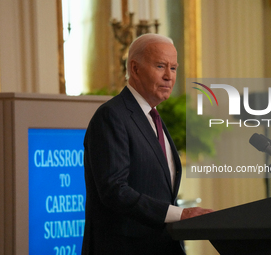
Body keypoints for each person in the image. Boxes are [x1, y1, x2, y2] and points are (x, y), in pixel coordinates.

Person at [81, 33, 213, 255]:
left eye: (173, 68)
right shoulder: (112, 116)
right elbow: (115, 190)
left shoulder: (153, 118)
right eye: (161, 66)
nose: (168, 76)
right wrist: (178, 214)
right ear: (134, 68)